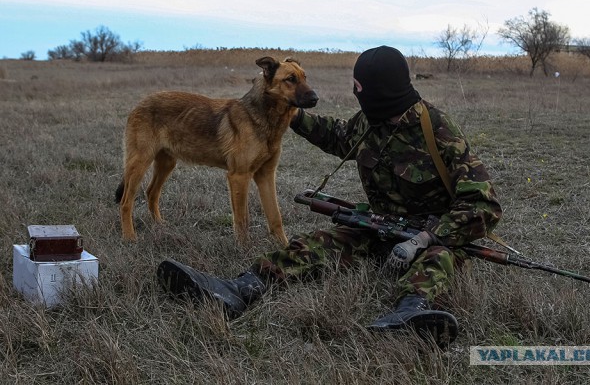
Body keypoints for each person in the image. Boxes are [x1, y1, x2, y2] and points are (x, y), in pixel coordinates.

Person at [157, 46, 502, 347]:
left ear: (379, 91)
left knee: (437, 260)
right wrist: (289, 114)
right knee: (317, 242)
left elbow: (484, 207)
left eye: (359, 87)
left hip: (432, 235)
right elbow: (338, 137)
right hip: (379, 226)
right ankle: (238, 289)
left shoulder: (439, 131)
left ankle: (412, 312)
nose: (355, 93)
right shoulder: (371, 121)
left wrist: (426, 236)